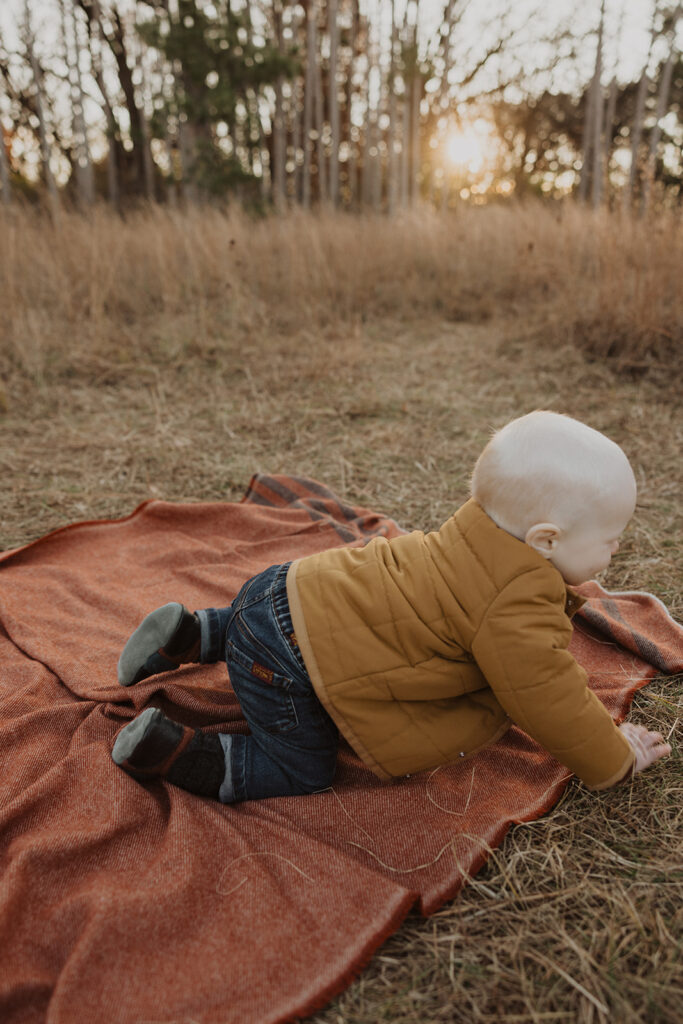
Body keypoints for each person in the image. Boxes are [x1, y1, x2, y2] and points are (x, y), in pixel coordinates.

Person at [111, 411, 671, 802]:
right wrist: (613, 756)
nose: (618, 548)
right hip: (284, 663)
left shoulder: (471, 533)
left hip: (283, 589)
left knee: (286, 622)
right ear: (545, 539)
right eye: (611, 538)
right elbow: (549, 697)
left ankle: (195, 633)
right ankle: (174, 749)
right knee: (301, 768)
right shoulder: (515, 607)